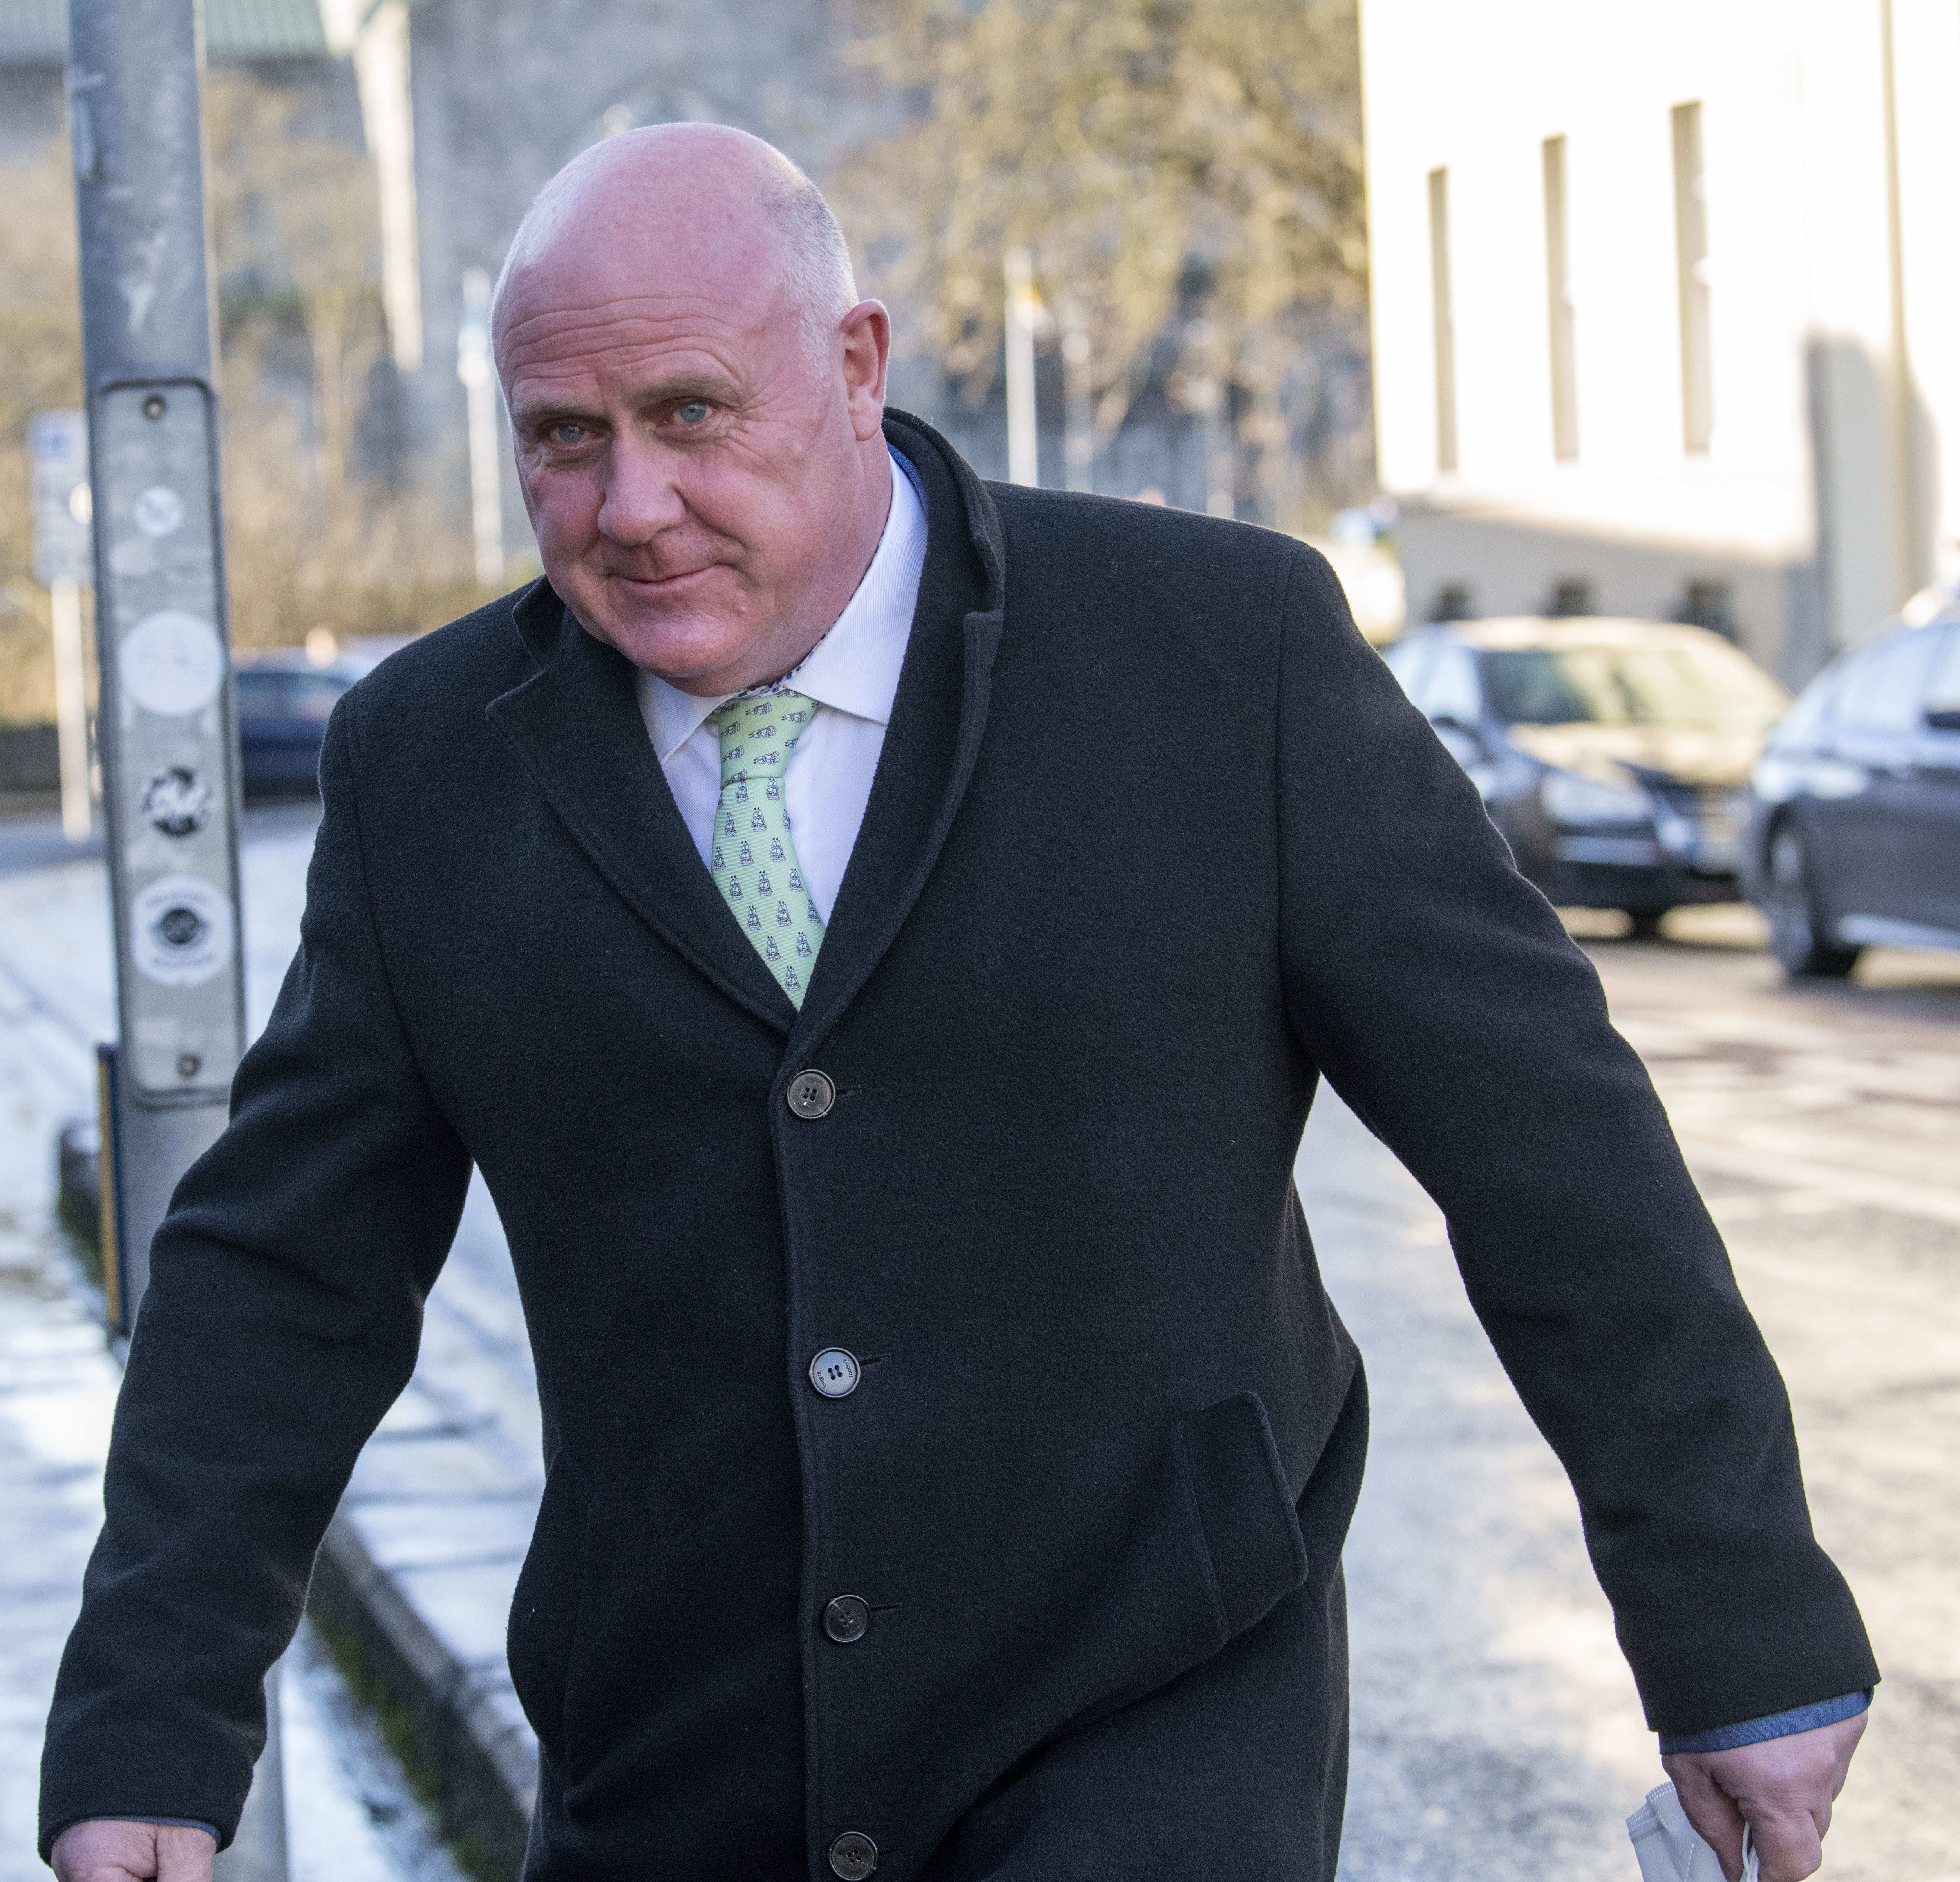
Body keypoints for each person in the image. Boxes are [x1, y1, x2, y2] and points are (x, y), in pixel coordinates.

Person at [43, 126, 1873, 1882]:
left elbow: (1550, 1141)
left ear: (853, 364)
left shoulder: (1222, 661)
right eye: (562, 440)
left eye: (689, 414)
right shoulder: (424, 769)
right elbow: (290, 1271)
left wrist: (1737, 1623)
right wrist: (149, 1715)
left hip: (1151, 1732)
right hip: (670, 1767)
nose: (632, 505)